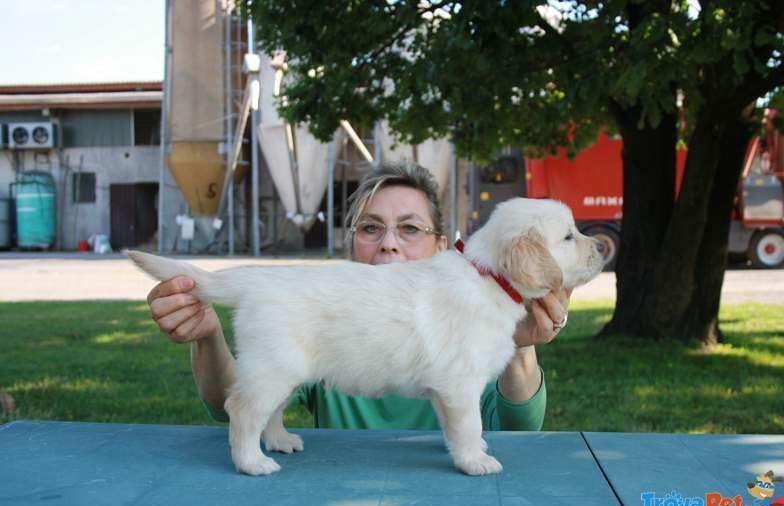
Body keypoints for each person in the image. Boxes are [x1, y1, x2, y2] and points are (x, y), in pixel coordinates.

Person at [146, 162, 570, 430]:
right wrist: (208, 335)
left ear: (444, 248)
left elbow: (519, 429)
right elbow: (230, 405)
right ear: (351, 246)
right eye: (370, 228)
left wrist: (519, 345)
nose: (388, 243)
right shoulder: (328, 308)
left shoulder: (475, 313)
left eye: (409, 228)